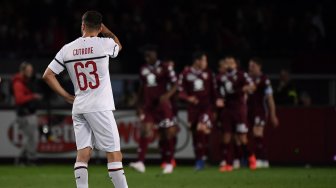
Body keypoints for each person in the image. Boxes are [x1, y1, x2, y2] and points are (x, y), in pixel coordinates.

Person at [42, 11, 128, 188]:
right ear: (99, 27)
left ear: (82, 25)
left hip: (79, 106)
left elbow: (47, 75)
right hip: (99, 107)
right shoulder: (105, 44)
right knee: (114, 154)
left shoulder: (67, 48)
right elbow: (119, 46)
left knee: (83, 154)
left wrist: (66, 96)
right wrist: (107, 31)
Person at [130, 46, 178, 174]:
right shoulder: (143, 69)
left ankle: (169, 162)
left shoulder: (165, 67)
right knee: (145, 131)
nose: (147, 58)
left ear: (155, 54)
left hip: (162, 106)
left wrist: (167, 96)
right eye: (145, 56)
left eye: (149, 55)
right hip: (148, 105)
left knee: (166, 133)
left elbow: (176, 84)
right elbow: (141, 87)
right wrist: (138, 105)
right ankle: (140, 162)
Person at [216, 56, 257, 172]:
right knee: (226, 137)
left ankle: (250, 157)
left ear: (235, 64)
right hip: (227, 109)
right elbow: (217, 92)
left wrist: (247, 88)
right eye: (226, 63)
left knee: (242, 137)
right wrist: (218, 99)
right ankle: (228, 163)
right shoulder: (220, 78)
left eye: (231, 63)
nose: (228, 65)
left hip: (239, 109)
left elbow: (253, 86)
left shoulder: (241, 75)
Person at [178, 51, 216, 170]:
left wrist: (215, 108)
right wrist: (188, 98)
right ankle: (201, 158)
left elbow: (213, 91)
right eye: (204, 60)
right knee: (196, 134)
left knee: (201, 128)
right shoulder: (186, 73)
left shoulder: (208, 73)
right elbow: (180, 91)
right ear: (197, 61)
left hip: (206, 107)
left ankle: (201, 160)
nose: (206, 63)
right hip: (192, 109)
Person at [248, 58, 279, 168]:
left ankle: (263, 159)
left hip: (260, 110)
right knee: (253, 134)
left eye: (253, 66)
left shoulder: (264, 80)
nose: (250, 68)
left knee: (258, 132)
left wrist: (273, 114)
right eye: (250, 66)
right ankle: (259, 158)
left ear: (259, 66)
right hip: (249, 111)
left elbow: (270, 99)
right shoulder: (248, 79)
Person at [12, 62, 42, 165]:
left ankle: (25, 159)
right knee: (30, 138)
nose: (30, 72)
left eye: (31, 70)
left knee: (31, 137)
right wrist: (33, 96)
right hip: (25, 115)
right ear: (23, 70)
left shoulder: (25, 82)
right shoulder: (18, 83)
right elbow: (19, 99)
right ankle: (25, 159)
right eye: (28, 70)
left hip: (28, 114)